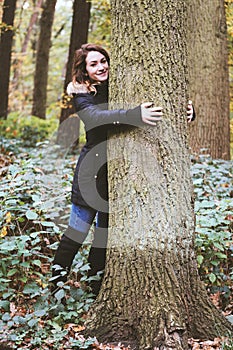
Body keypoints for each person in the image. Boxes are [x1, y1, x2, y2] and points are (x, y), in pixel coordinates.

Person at [51, 43, 195, 297]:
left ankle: (95, 291)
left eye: (103, 61)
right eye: (93, 64)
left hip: (117, 175)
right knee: (76, 234)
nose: (101, 67)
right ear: (84, 70)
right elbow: (94, 118)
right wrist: (134, 115)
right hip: (91, 174)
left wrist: (187, 111)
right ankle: (54, 290)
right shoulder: (82, 94)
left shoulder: (122, 83)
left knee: (104, 240)